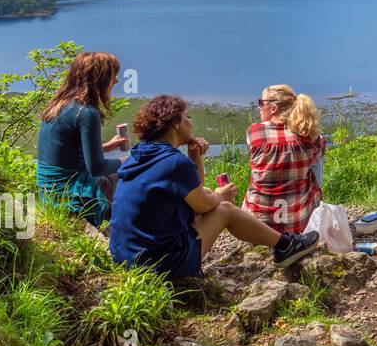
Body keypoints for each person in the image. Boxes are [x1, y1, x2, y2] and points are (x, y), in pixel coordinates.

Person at [110, 95, 319, 281]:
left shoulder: (139, 155)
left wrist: (195, 157)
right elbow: (204, 205)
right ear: (175, 124)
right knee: (224, 209)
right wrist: (222, 196)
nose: (191, 123)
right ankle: (285, 246)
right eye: (188, 117)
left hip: (125, 258)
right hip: (158, 266)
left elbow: (197, 193)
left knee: (210, 195)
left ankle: (282, 243)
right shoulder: (173, 162)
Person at [36, 51, 129, 226]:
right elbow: (97, 168)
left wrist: (105, 147)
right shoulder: (86, 112)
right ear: (99, 78)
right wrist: (127, 163)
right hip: (72, 193)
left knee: (125, 166)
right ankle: (128, 227)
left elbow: (66, 152)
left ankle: (116, 222)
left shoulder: (56, 105)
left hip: (50, 192)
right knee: (136, 170)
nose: (116, 81)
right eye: (112, 76)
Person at [244, 84, 326, 234]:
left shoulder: (254, 132)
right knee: (317, 159)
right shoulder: (312, 137)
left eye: (261, 103)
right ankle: (315, 208)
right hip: (298, 223)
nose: (259, 108)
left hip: (256, 226)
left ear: (273, 108)